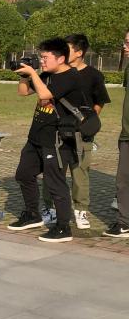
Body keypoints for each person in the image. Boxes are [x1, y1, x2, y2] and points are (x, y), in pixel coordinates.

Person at [8, 37, 88, 243]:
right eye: (41, 57)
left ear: (60, 58)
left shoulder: (71, 77)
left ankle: (63, 228)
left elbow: (45, 94)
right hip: (36, 137)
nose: (41, 61)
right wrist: (24, 76)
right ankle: (32, 214)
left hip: (57, 140)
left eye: (45, 58)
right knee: (23, 174)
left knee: (55, 183)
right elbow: (23, 92)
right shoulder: (46, 74)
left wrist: (34, 73)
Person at [41, 34, 109, 229]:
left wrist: (86, 123)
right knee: (53, 172)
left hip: (81, 134)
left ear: (79, 53)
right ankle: (50, 209)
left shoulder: (94, 75)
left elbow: (100, 101)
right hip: (56, 132)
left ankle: (81, 211)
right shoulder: (53, 73)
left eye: (68, 48)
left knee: (80, 173)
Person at [104, 29, 129, 238]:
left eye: (128, 43)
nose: (124, 47)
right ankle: (124, 222)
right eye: (125, 42)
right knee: (123, 181)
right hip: (127, 134)